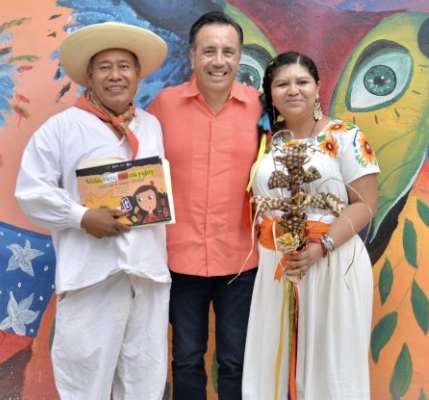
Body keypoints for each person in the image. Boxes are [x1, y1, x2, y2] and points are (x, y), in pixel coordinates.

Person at [14, 22, 169, 400]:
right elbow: (31, 191)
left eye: (124, 66)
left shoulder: (150, 126)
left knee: (145, 381)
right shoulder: (61, 129)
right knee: (84, 384)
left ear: (137, 74)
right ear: (89, 75)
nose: (115, 75)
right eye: (104, 67)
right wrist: (81, 217)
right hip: (91, 277)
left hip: (146, 274)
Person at [242, 51, 380, 399]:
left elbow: (366, 205)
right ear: (270, 94)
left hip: (333, 264)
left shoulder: (345, 136)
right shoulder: (267, 142)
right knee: (273, 364)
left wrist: (323, 246)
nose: (293, 90)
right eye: (282, 84)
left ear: (318, 88)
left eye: (302, 82)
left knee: (332, 367)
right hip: (278, 266)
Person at [147, 10, 262, 400]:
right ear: (193, 56)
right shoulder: (164, 105)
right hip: (179, 258)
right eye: (209, 51)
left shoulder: (262, 109)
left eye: (228, 52)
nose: (219, 61)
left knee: (236, 361)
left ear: (239, 57)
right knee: (185, 359)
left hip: (241, 260)